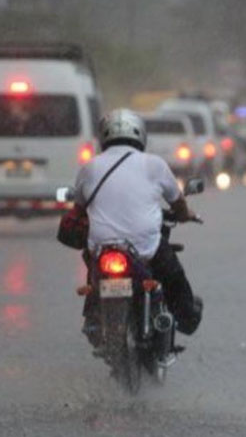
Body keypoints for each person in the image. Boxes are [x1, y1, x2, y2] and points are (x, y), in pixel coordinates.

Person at [74, 109, 203, 344]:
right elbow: (178, 203)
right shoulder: (154, 164)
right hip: (145, 248)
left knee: (93, 274)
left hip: (102, 249)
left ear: (103, 137)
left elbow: (78, 208)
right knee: (174, 276)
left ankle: (92, 320)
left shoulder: (89, 167)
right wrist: (186, 215)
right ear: (140, 136)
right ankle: (185, 318)